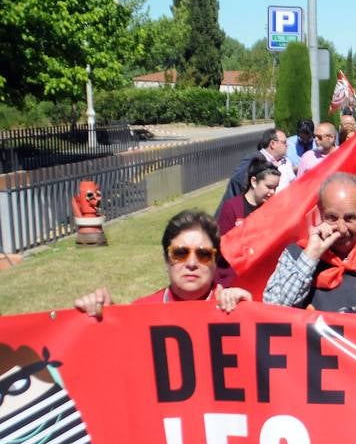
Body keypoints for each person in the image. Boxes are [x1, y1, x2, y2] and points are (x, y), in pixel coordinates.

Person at [73, 211, 250, 316]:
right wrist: (108, 318)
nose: (191, 263)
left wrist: (248, 311)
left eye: (203, 254)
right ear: (166, 259)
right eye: (180, 253)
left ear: (215, 261)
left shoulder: (234, 308)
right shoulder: (142, 312)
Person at [262, 172, 356, 311]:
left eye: (349, 218)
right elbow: (271, 308)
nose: (341, 228)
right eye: (332, 218)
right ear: (320, 211)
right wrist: (310, 257)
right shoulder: (296, 254)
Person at [216, 127, 292, 214]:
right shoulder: (254, 160)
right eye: (284, 142)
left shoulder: (283, 161)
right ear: (273, 144)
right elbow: (237, 181)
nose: (287, 145)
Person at [216, 158, 280, 236]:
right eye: (269, 187)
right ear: (254, 182)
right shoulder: (232, 207)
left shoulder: (271, 208)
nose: (272, 192)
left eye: (275, 188)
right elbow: (222, 241)